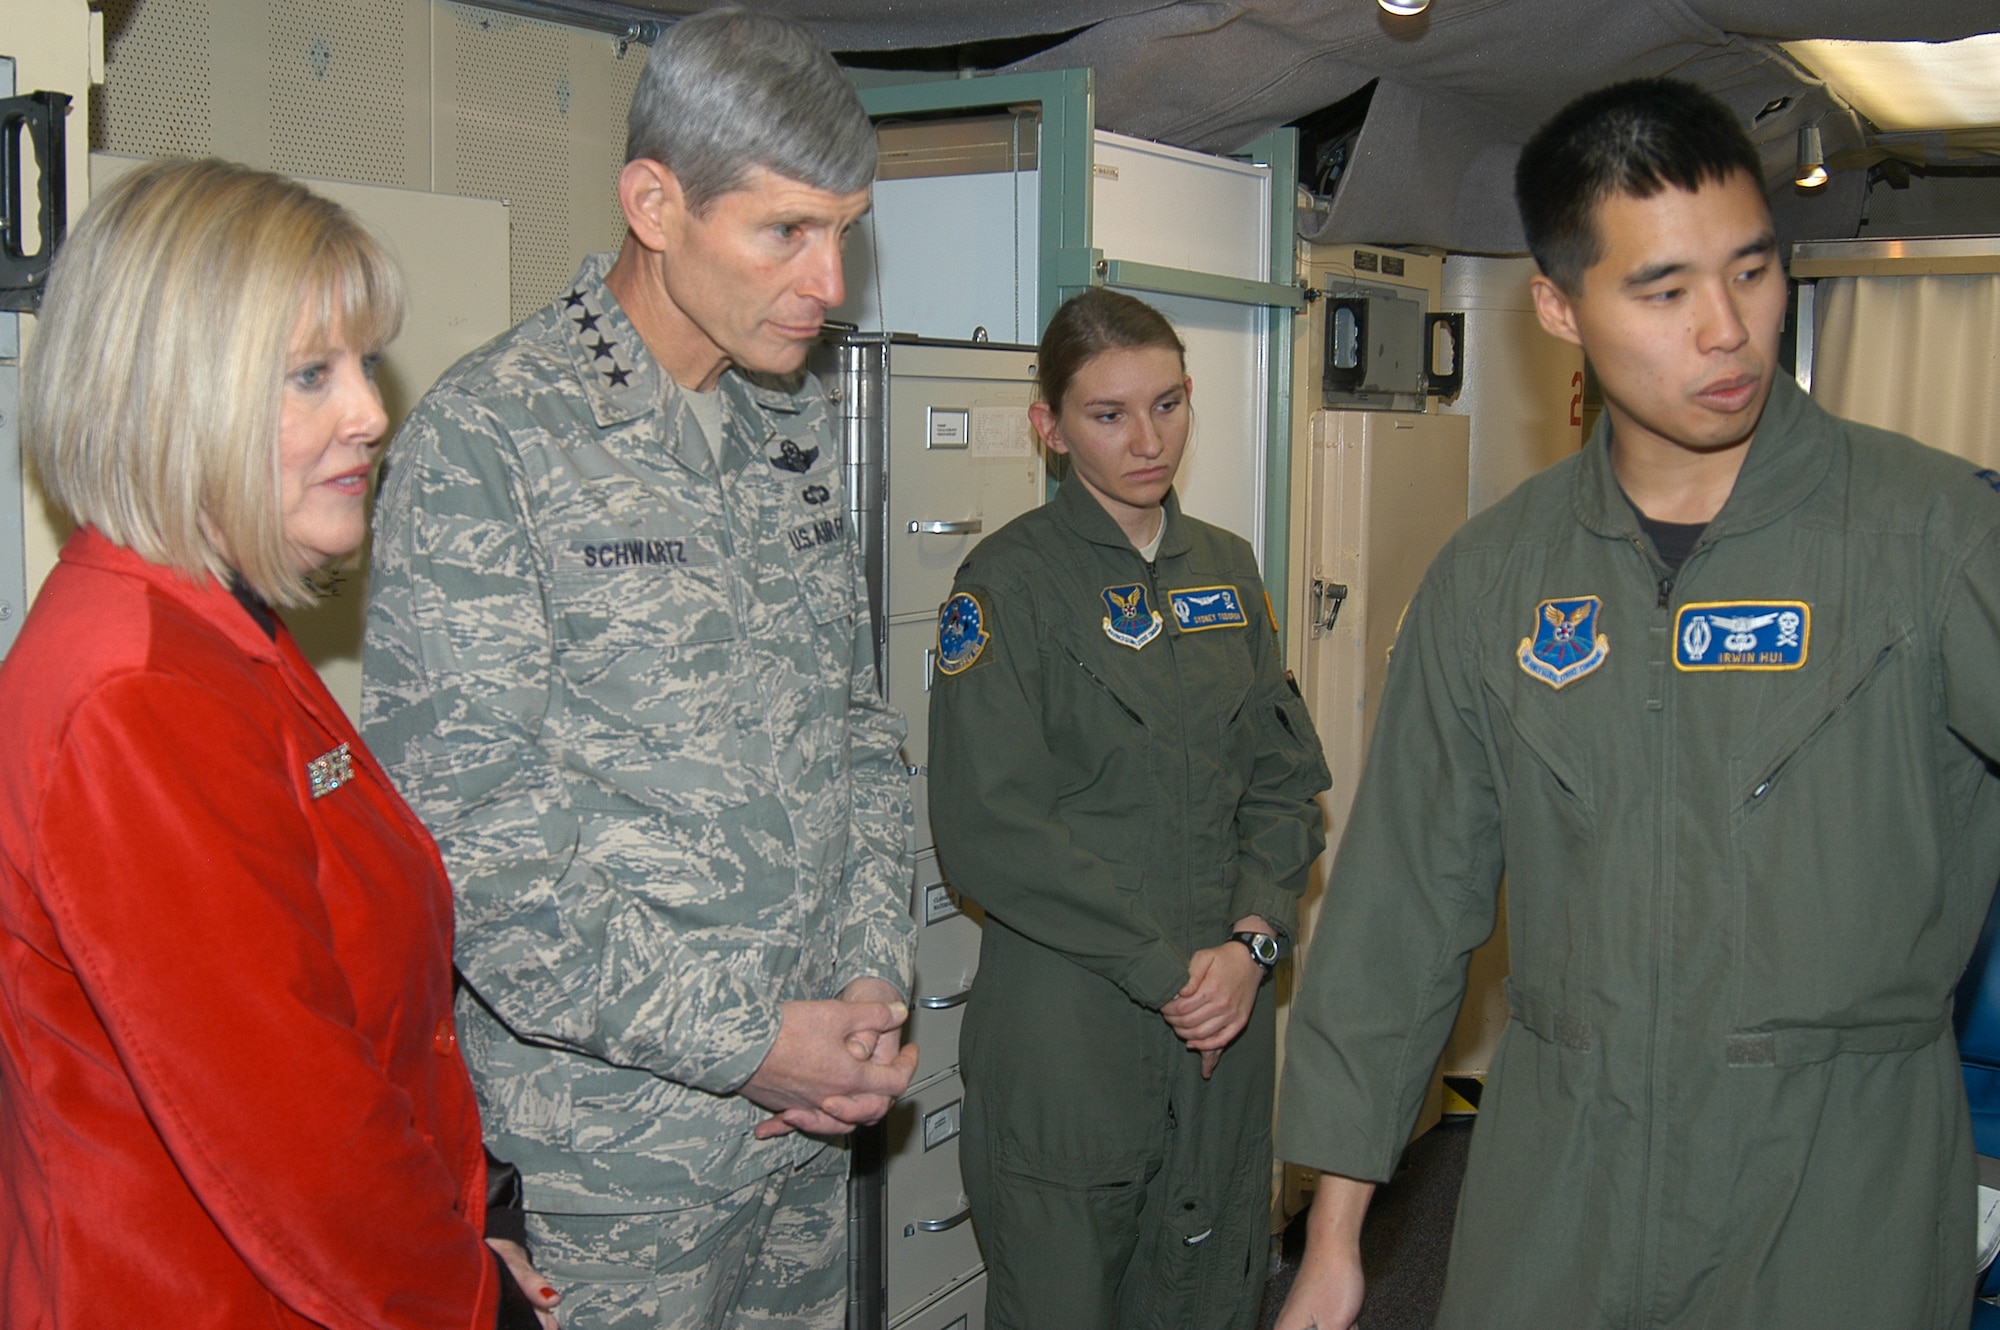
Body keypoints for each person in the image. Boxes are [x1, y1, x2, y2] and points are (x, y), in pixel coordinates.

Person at [1275, 77, 2000, 1330]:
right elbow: (1398, 908)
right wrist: (1333, 1236)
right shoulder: (1495, 578)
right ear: (1557, 306)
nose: (1725, 330)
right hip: (1564, 1180)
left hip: (1838, 1191)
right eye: (1662, 291)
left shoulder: (1928, 538)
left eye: (1753, 272)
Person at [361, 9, 918, 1327]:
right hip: (610, 1174)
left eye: (845, 230)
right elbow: (475, 860)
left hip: (801, 1134)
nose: (830, 281)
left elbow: (856, 729)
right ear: (655, 203)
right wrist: (753, 1045)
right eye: (787, 230)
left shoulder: (784, 428)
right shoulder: (492, 445)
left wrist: (871, 985)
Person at [0, 158, 559, 1329]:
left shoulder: (215, 628)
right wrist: (474, 1305)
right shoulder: (139, 687)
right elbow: (293, 1132)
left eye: (360, 364)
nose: (370, 411)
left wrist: (478, 1214)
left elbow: (361, 1015)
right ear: (172, 396)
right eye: (311, 374)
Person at [927, 288, 1332, 1330]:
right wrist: (1168, 975)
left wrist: (1250, 943)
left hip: (1223, 1024)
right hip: (1073, 1029)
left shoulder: (1227, 574)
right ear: (1048, 429)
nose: (1147, 440)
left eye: (1168, 403)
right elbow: (989, 830)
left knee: (1208, 1291)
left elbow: (1283, 783)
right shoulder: (1007, 583)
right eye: (1107, 414)